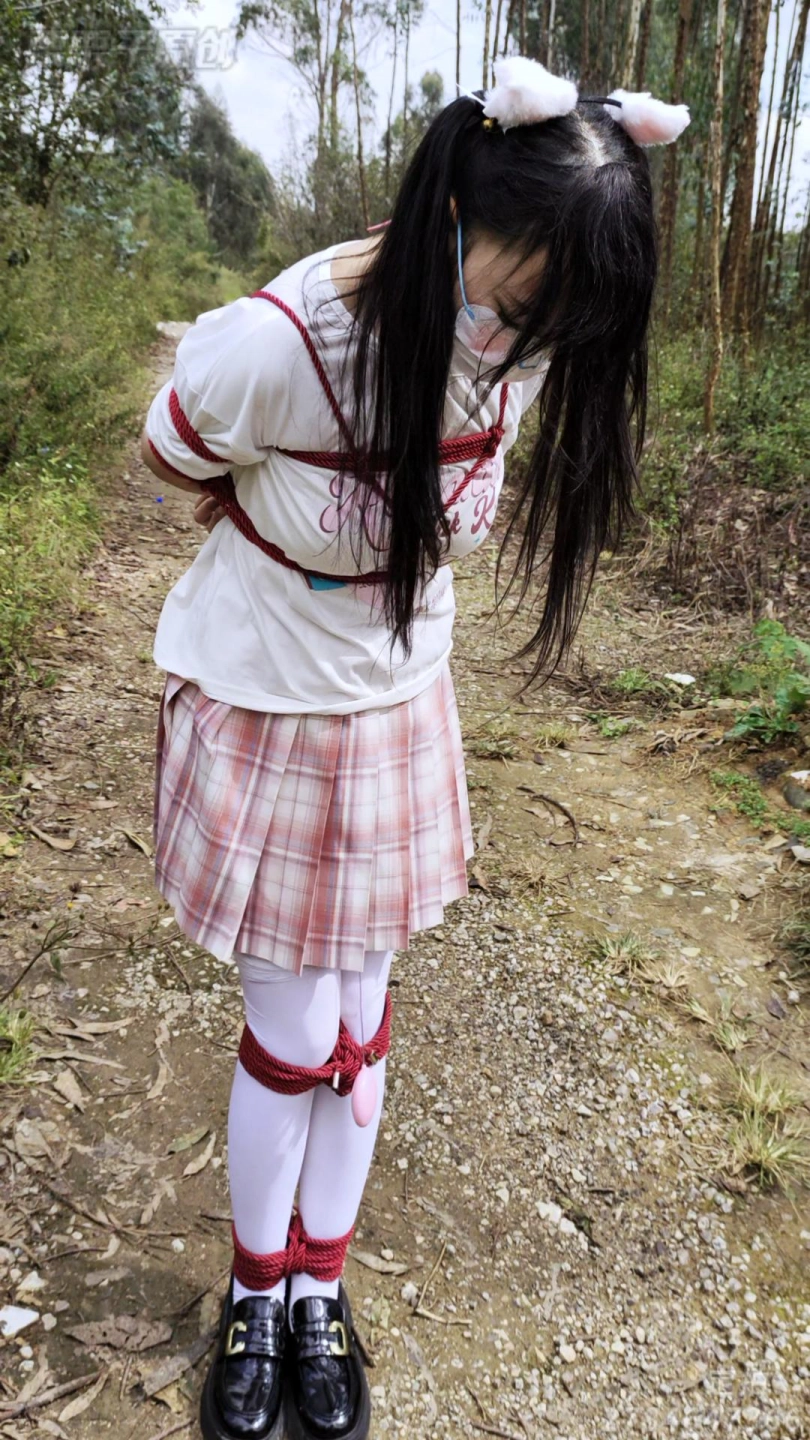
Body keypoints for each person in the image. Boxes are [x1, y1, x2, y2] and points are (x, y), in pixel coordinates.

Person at [140, 55, 688, 1440]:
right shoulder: (283, 343)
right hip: (268, 705)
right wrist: (273, 519)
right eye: (513, 306)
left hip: (395, 711)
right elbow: (173, 452)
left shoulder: (522, 349)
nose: (515, 348)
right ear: (452, 215)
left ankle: (320, 1289)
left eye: (556, 328)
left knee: (358, 1032)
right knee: (292, 1035)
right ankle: (254, 1293)